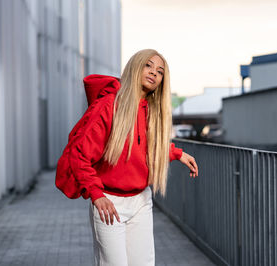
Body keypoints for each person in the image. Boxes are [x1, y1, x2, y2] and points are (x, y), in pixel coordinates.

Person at [57, 49, 198, 266]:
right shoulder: (109, 105)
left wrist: (177, 153)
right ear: (135, 67)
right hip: (109, 202)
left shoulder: (152, 110)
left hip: (141, 200)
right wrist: (96, 194)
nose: (153, 73)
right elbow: (79, 153)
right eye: (148, 65)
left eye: (160, 72)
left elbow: (145, 147)